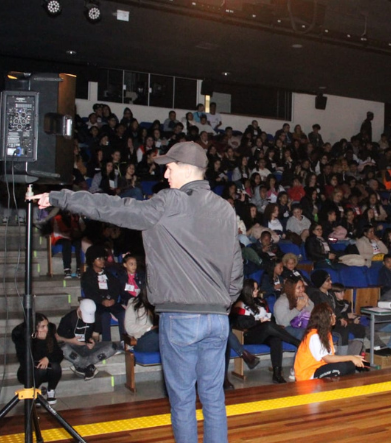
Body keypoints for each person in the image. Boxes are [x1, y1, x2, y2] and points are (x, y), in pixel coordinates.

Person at [33, 141, 243, 442]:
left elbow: (116, 208)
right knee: (213, 399)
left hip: (181, 317)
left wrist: (62, 197)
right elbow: (236, 270)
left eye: (169, 167)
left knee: (183, 402)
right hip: (218, 319)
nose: (166, 174)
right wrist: (223, 301)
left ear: (185, 169)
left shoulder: (170, 201)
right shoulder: (225, 209)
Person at [232, 280, 300, 383]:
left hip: (263, 332)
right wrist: (259, 321)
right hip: (247, 335)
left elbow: (270, 317)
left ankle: (277, 374)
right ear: (247, 290)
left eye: (257, 288)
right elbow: (241, 324)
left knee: (275, 338)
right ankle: (296, 342)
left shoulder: (260, 301)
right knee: (268, 326)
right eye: (254, 289)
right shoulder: (239, 304)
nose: (257, 291)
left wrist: (267, 320)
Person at [293, 303, 366, 381]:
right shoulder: (315, 336)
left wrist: (353, 358)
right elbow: (327, 358)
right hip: (308, 375)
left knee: (350, 365)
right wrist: (351, 357)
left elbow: (331, 356)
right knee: (342, 368)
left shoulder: (325, 333)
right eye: (332, 315)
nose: (335, 316)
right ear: (325, 318)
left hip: (320, 368)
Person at [56, 299, 122, 380]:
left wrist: (93, 341)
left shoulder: (96, 316)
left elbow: (95, 335)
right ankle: (87, 366)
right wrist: (71, 341)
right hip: (72, 347)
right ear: (79, 310)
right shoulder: (68, 318)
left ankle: (81, 365)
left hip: (87, 347)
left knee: (113, 346)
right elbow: (57, 337)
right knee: (63, 347)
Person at [11, 313, 63, 405]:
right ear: (34, 328)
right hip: (28, 371)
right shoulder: (21, 335)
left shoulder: (49, 331)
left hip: (47, 367)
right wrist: (40, 341)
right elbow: (26, 359)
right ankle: (34, 393)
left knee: (55, 366)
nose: (46, 329)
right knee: (40, 368)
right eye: (42, 327)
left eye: (46, 325)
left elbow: (59, 354)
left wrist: (47, 358)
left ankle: (51, 391)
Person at [81, 244, 126, 341]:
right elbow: (89, 293)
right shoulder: (87, 276)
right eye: (99, 259)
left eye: (103, 258)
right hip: (97, 303)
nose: (102, 261)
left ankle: (124, 342)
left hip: (111, 301)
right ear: (92, 260)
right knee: (105, 315)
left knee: (123, 313)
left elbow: (116, 287)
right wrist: (102, 301)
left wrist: (113, 299)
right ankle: (107, 343)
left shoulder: (108, 274)